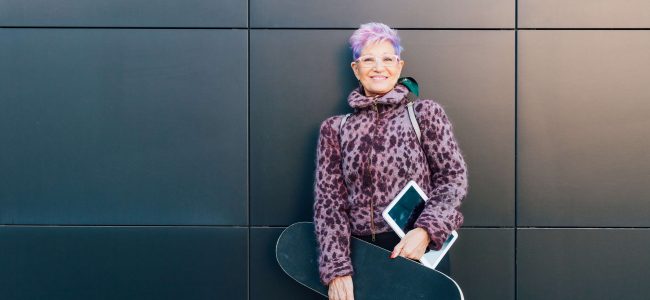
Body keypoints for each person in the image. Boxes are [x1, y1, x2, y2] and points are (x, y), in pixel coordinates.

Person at [313, 22, 469, 300]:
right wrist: (337, 270)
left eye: (387, 59)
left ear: (399, 66)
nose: (378, 67)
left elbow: (452, 179)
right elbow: (329, 205)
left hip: (417, 252)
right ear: (356, 69)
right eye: (368, 59)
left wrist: (426, 231)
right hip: (362, 260)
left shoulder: (424, 114)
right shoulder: (335, 129)